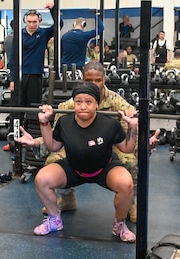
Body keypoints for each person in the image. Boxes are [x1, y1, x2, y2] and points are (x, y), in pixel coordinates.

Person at [16, 82, 138, 242]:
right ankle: (54, 220)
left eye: (88, 102)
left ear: (97, 103)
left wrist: (133, 127)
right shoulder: (65, 123)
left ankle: (120, 225)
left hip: (104, 168)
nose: (83, 106)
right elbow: (53, 146)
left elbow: (127, 148)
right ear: (73, 103)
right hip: (74, 168)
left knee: (126, 184)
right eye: (78, 101)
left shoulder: (109, 125)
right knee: (42, 179)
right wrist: (44, 122)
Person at [32, 61, 141, 224]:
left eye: (98, 80)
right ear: (83, 80)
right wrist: (36, 142)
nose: (94, 84)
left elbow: (129, 136)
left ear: (104, 79)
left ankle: (129, 202)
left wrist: (145, 145)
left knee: (131, 162)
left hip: (109, 144)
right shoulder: (70, 105)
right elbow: (57, 136)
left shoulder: (118, 103)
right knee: (52, 160)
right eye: (89, 81)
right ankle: (68, 198)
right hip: (78, 143)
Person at [8, 3, 63, 106]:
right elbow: (12, 58)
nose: (32, 24)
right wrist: (12, 79)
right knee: (17, 106)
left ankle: (32, 123)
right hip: (20, 75)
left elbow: (59, 24)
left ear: (39, 21)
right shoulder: (19, 35)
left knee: (34, 106)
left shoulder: (44, 34)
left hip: (36, 75)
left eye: (34, 22)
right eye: (29, 22)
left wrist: (53, 10)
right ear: (25, 22)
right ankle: (17, 123)